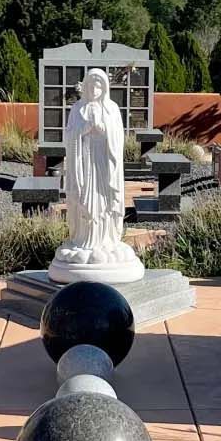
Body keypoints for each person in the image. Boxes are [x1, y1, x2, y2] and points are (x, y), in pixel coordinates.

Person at [49, 67, 142, 283]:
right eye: (91, 85)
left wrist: (104, 131)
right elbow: (70, 137)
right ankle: (83, 240)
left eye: (99, 85)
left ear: (105, 87)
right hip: (84, 166)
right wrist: (84, 129)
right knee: (85, 201)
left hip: (104, 166)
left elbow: (118, 138)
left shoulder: (112, 109)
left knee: (104, 202)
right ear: (85, 87)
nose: (94, 89)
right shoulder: (77, 109)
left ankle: (106, 241)